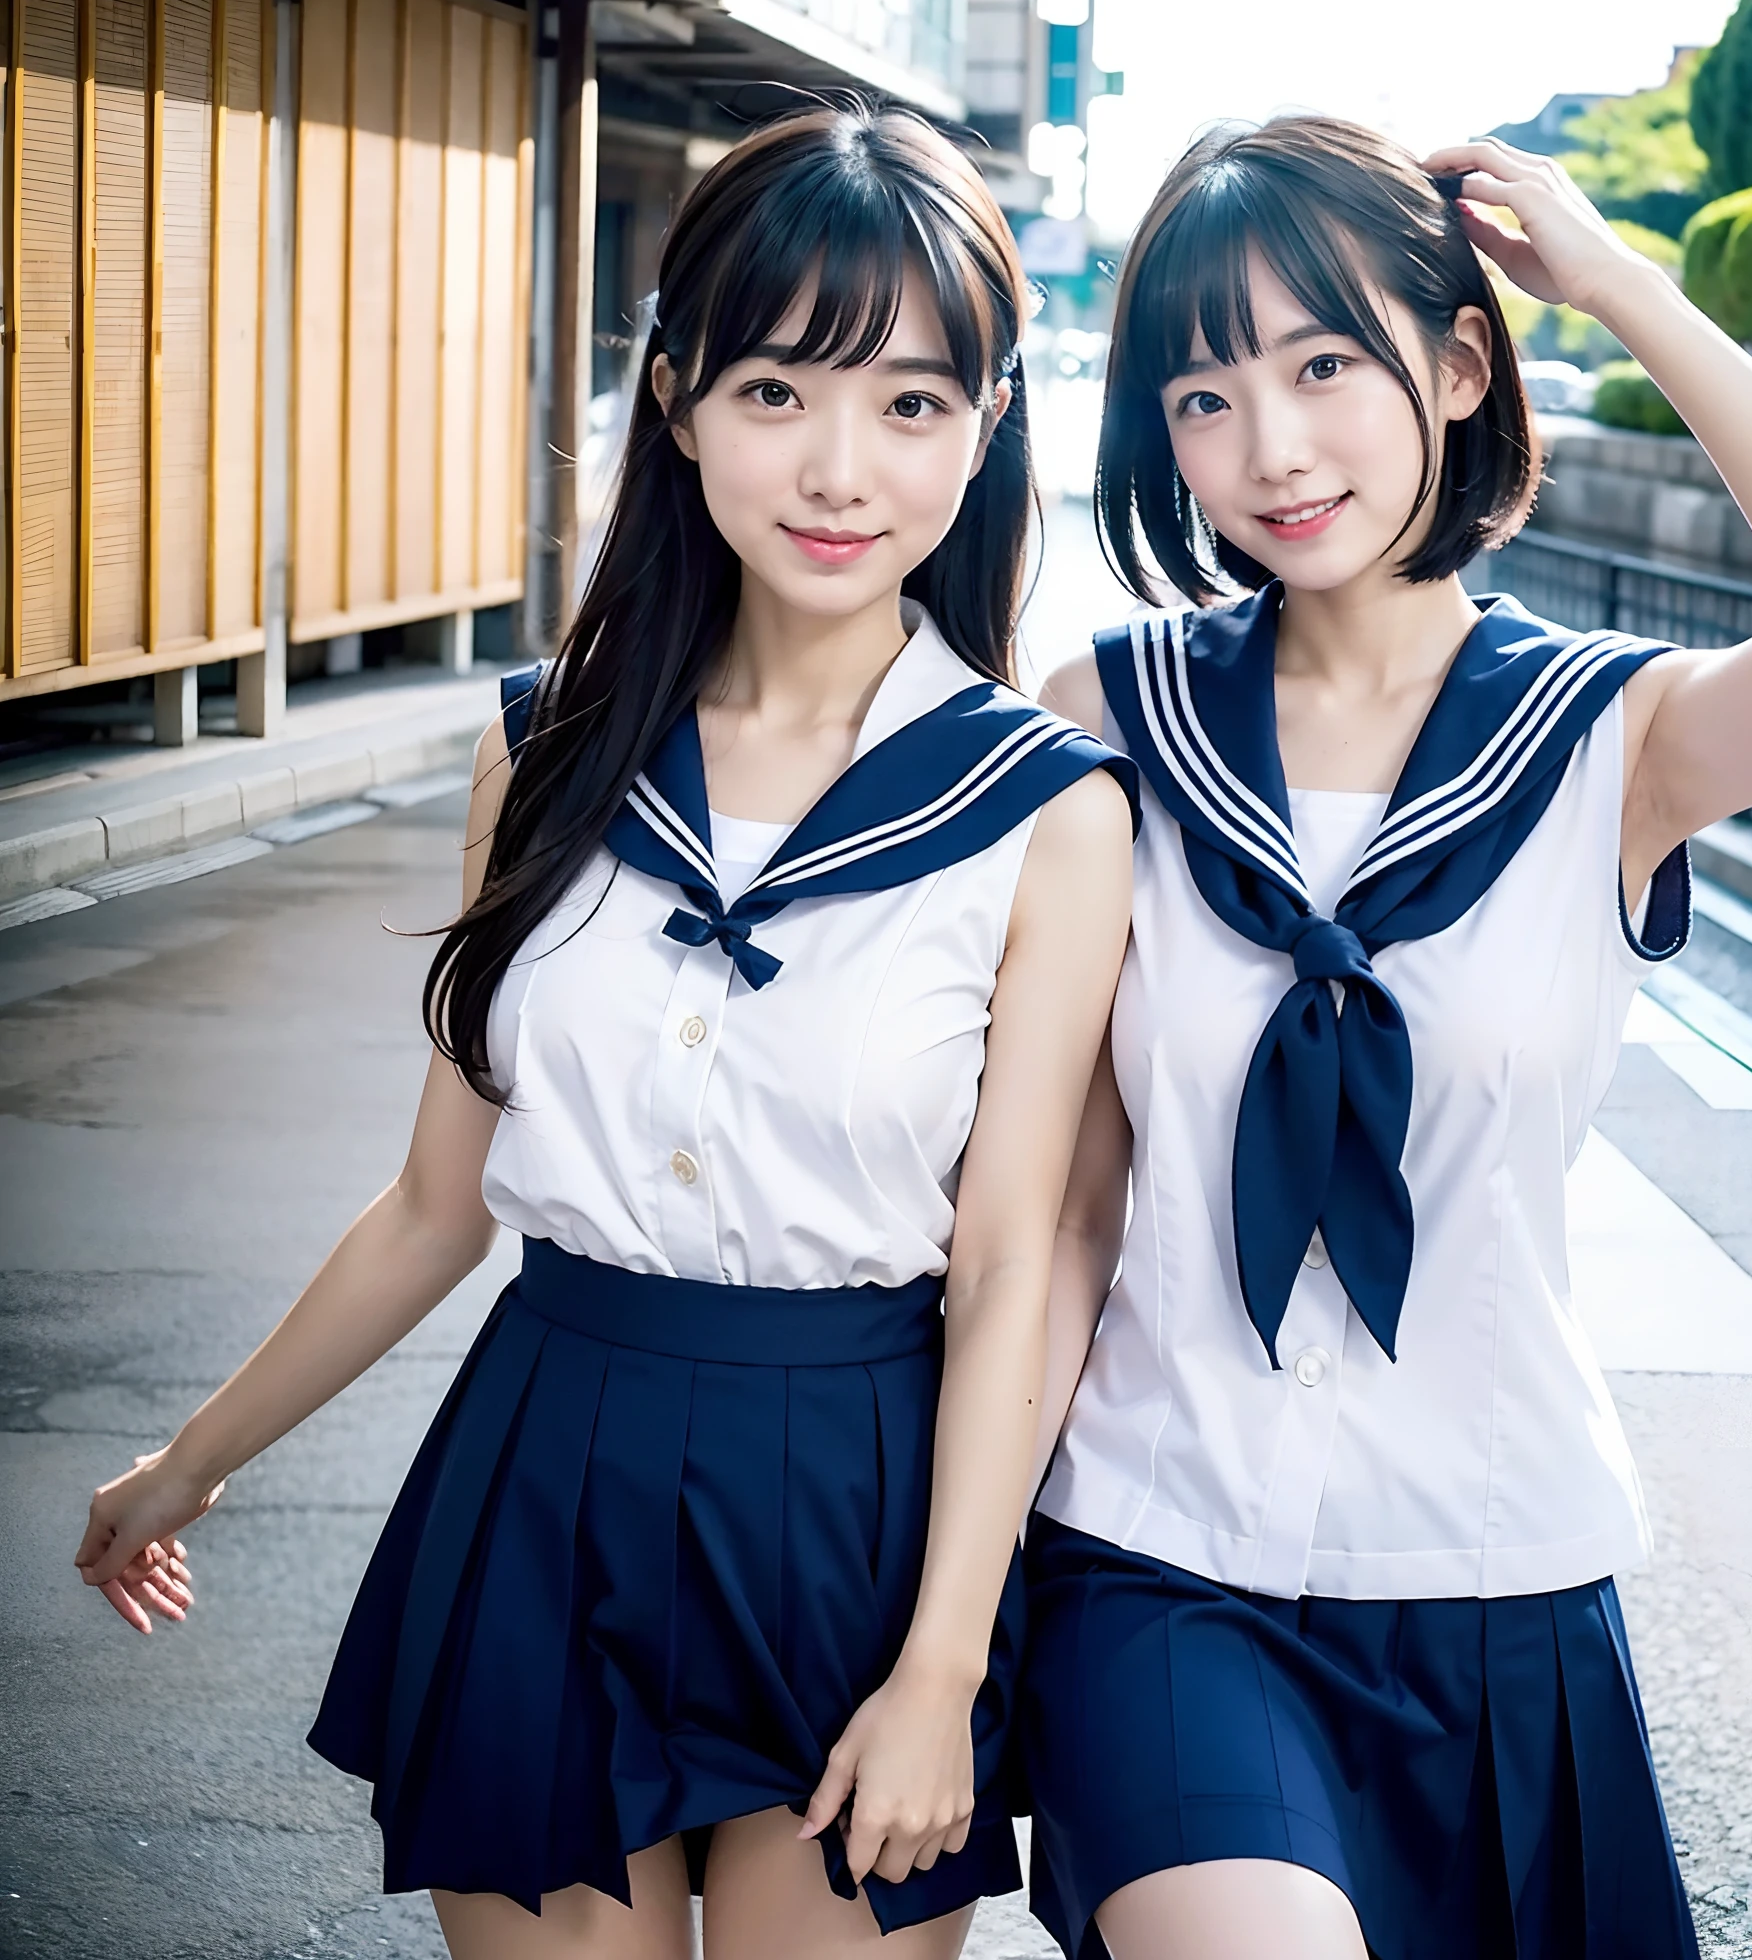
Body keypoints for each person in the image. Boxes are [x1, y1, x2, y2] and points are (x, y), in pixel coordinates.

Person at [72, 103, 1135, 1960]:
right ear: (676, 397)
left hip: (860, 1509)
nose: (838, 467)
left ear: (985, 430)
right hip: (548, 1471)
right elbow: (434, 1201)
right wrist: (188, 1461)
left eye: (910, 405)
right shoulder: (541, 746)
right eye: (778, 390)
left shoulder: (1049, 808)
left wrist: (947, 1661)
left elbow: (1004, 1271)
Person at [1022, 117, 1752, 1960]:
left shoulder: (1610, 741)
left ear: (1456, 367)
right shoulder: (1107, 723)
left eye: (1323, 366)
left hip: (1496, 1564)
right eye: (1204, 397)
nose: (1272, 447)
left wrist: (1617, 285)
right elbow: (1055, 1206)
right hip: (1161, 1550)